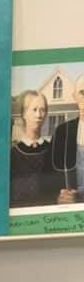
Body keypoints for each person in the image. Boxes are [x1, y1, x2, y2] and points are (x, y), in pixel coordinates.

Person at [10, 90, 63, 208]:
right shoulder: (12, 154)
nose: (39, 115)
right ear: (24, 113)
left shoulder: (54, 151)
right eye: (34, 110)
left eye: (42, 110)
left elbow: (59, 187)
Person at [51, 75, 84, 204]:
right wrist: (58, 197)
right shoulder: (62, 132)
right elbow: (47, 175)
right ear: (74, 96)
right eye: (83, 92)